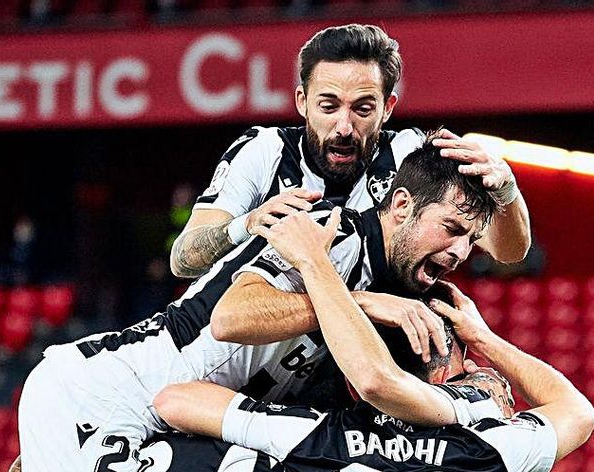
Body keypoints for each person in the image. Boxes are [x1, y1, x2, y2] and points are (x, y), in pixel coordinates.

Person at [16, 137, 499, 472]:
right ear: (400, 206)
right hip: (102, 395)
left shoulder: (392, 280)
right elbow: (232, 318)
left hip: (175, 414)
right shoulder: (332, 231)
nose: (460, 251)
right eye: (452, 228)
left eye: (471, 240)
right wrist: (357, 302)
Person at [145, 209, 594, 472]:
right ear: (441, 374)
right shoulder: (488, 445)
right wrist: (485, 339)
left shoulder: (314, 436)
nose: (474, 366)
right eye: (466, 360)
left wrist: (313, 263)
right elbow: (578, 411)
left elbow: (174, 401)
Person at [170, 23, 531, 285]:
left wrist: (507, 191)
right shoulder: (265, 150)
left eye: (362, 108)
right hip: (259, 352)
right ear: (302, 103)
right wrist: (246, 225)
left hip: (352, 362)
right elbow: (183, 259)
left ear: (387, 108)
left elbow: (508, 252)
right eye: (328, 106)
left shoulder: (408, 152)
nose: (344, 127)